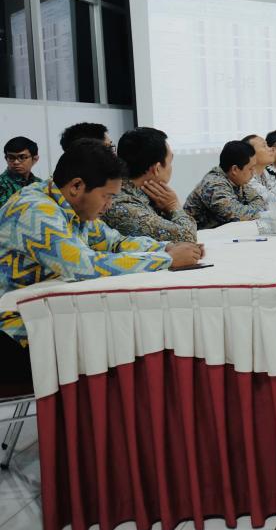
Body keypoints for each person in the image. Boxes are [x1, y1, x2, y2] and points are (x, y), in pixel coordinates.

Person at [0, 139, 203, 363]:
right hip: (14, 328)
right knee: (126, 342)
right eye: (107, 196)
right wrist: (166, 259)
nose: (108, 205)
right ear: (76, 186)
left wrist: (165, 247)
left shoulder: (70, 204)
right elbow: (82, 265)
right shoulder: (35, 209)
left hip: (46, 313)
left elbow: (114, 241)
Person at [102, 127, 198, 243]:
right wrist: (174, 206)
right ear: (157, 169)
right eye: (170, 162)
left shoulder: (146, 195)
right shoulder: (122, 205)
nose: (171, 168)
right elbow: (188, 237)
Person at [184, 140, 267, 230]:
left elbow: (259, 200)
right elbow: (238, 215)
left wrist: (255, 209)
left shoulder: (238, 180)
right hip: (197, 238)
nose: (253, 172)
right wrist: (257, 209)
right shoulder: (214, 184)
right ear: (235, 169)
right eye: (250, 168)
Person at [0, 137, 42, 207]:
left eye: (22, 157)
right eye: (11, 157)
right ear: (6, 159)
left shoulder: (40, 184)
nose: (16, 162)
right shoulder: (1, 184)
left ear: (35, 159)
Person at [243, 134, 276, 202]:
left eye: (267, 145)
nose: (272, 149)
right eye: (264, 146)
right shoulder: (246, 178)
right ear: (251, 154)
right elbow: (271, 201)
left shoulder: (265, 172)